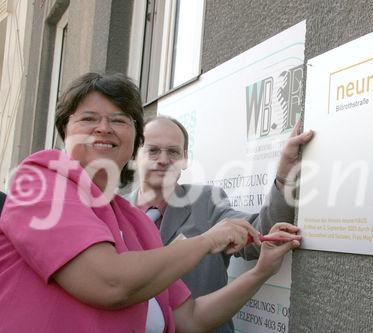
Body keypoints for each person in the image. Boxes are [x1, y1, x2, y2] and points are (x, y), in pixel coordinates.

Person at [0, 72, 301, 333]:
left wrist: (261, 271)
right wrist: (206, 241)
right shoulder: (42, 181)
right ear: (65, 130)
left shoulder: (136, 222)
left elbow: (189, 319)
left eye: (119, 120)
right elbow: (112, 283)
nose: (104, 128)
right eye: (88, 118)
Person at [130, 116, 313, 333]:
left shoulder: (206, 202)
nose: (163, 159)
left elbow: (258, 234)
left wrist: (284, 176)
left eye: (173, 152)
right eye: (153, 150)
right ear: (135, 153)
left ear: (185, 158)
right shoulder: (110, 212)